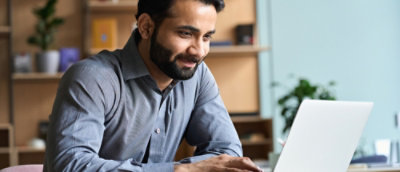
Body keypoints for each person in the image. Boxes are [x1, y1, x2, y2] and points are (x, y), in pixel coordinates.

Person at [44, 0, 263, 171]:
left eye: (206, 37)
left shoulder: (198, 76)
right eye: (186, 33)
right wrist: (182, 171)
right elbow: (70, 165)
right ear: (146, 27)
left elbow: (227, 151)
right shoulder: (93, 78)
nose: (199, 51)